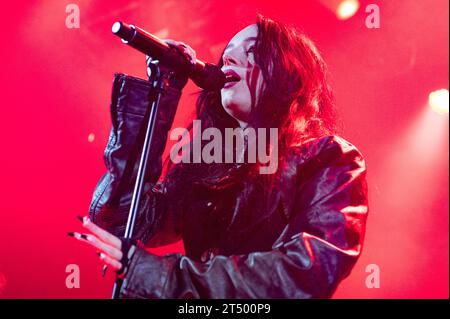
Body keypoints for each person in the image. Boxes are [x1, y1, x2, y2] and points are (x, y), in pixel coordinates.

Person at [70, 15, 368, 298]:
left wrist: (165, 278)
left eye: (253, 52)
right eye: (227, 54)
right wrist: (162, 94)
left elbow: (308, 271)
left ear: (289, 74)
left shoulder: (330, 158)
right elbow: (122, 219)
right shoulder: (209, 163)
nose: (229, 58)